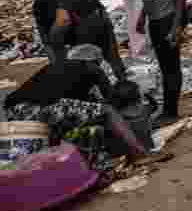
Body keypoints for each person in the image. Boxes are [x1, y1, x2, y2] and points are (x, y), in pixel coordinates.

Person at [5, 17, 149, 161]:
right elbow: (111, 100)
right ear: (94, 60)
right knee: (108, 112)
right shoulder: (90, 67)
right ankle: (139, 152)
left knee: (68, 125)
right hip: (41, 109)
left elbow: (73, 105)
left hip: (15, 113)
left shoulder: (58, 67)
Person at [135, 0, 186, 128]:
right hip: (154, 16)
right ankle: (167, 108)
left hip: (167, 16)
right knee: (164, 65)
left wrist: (176, 26)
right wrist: (142, 15)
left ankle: (171, 111)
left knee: (170, 65)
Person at [32, 0, 127, 81]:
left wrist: (56, 48)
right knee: (111, 56)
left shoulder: (51, 0)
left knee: (86, 64)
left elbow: (63, 20)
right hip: (96, 16)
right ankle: (124, 83)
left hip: (83, 22)